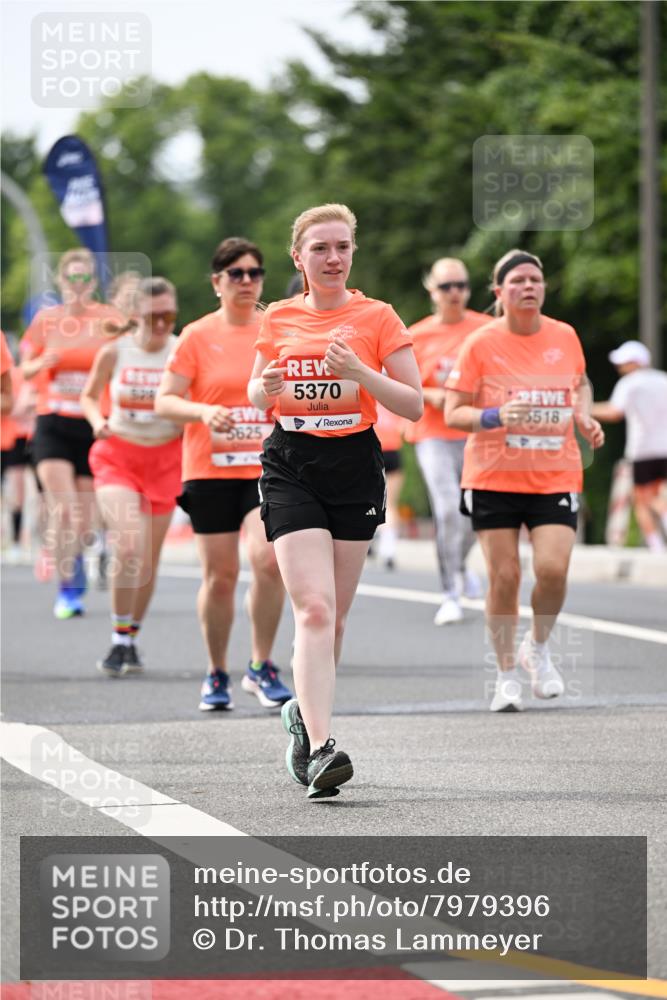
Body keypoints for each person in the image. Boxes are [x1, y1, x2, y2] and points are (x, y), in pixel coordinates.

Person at [248, 203, 422, 798]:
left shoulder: (378, 317)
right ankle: (323, 749)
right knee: (315, 610)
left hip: (354, 466)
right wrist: (264, 387)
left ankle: (302, 714)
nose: (333, 258)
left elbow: (414, 404)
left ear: (353, 253)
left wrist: (359, 372)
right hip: (291, 463)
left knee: (336, 618)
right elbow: (256, 390)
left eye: (342, 247)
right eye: (320, 248)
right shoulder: (278, 319)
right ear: (298, 257)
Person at [445, 249, 604, 712]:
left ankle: (538, 646)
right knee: (506, 576)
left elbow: (581, 383)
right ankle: (505, 672)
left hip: (555, 472)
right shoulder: (479, 343)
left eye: (535, 279)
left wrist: (583, 415)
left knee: (553, 570)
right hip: (494, 475)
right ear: (499, 293)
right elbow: (453, 412)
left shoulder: (564, 335)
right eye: (517, 281)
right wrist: (495, 414)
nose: (529, 286)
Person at [155, 237, 289, 712]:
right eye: (236, 274)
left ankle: (261, 664)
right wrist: (202, 412)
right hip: (209, 469)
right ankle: (216, 672)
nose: (248, 281)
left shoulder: (276, 330)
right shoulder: (196, 335)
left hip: (266, 468)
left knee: (269, 560)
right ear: (217, 283)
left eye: (255, 273)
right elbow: (164, 400)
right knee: (221, 576)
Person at [81, 277, 183, 676]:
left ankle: (130, 638)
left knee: (148, 562)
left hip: (166, 459)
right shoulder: (115, 352)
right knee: (128, 547)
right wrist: (96, 420)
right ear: (136, 314)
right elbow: (89, 396)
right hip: (118, 454)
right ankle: (118, 639)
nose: (161, 323)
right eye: (153, 315)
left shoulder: (182, 351)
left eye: (169, 315)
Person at [20, 249, 123, 618]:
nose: (78, 286)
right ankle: (67, 592)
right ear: (62, 282)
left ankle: (74, 556)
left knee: (84, 519)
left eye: (85, 279)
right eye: (71, 279)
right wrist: (39, 363)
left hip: (93, 423)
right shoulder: (46, 320)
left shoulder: (109, 318)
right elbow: (24, 368)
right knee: (63, 510)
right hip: (53, 421)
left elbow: (126, 358)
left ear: (93, 283)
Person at [405, 258, 489, 623]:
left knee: (477, 514)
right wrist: (431, 394)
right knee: (447, 508)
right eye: (446, 287)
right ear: (432, 290)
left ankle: (459, 565)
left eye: (461, 285)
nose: (454, 293)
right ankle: (449, 592)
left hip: (477, 433)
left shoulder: (487, 329)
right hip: (434, 434)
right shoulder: (417, 335)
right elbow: (401, 385)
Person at [592, 341, 667, 552]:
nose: (619, 367)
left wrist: (583, 409)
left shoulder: (630, 383)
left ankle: (657, 547)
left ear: (634, 362)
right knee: (659, 494)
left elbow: (614, 412)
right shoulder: (663, 380)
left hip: (643, 448)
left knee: (643, 499)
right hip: (665, 447)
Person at [0, 335, 37, 562]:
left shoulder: (27, 374)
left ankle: (19, 540)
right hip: (13, 436)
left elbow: (11, 404)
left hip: (25, 439)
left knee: (19, 490)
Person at [373, 403, 404, 569]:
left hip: (372, 448)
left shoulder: (367, 391)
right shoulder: (392, 393)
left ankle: (371, 540)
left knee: (367, 500)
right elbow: (405, 425)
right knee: (391, 504)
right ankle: (389, 549)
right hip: (392, 448)